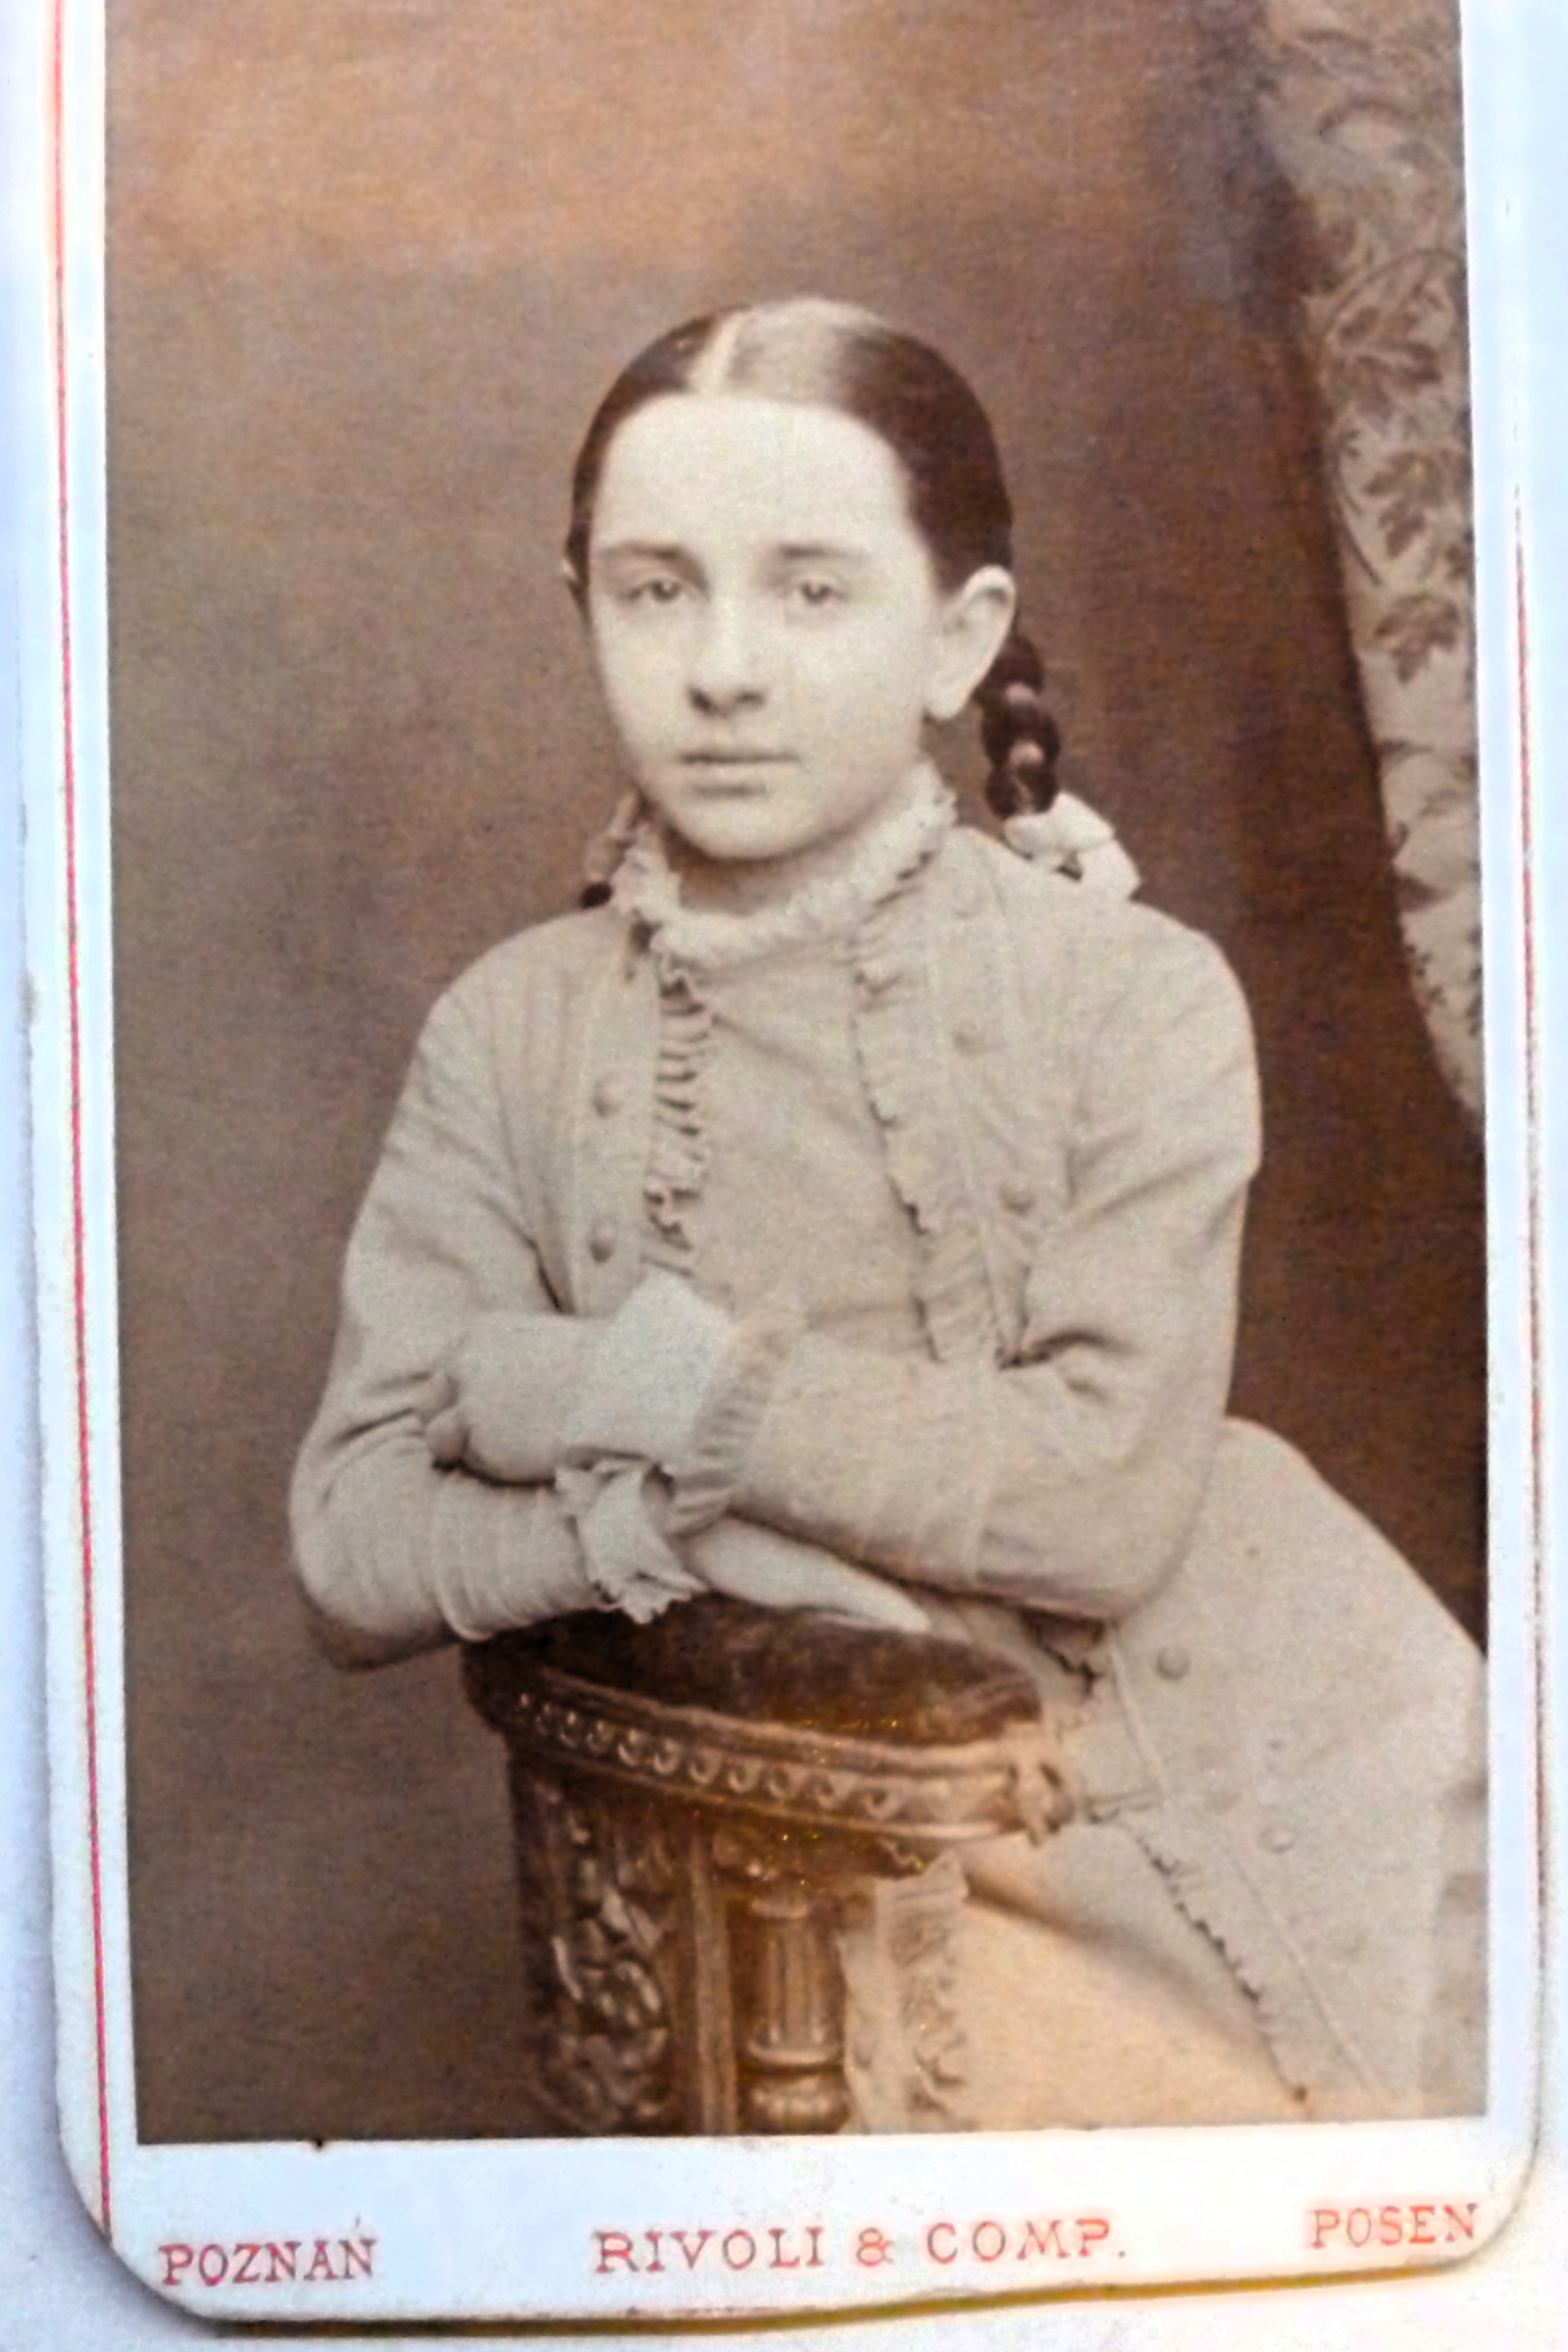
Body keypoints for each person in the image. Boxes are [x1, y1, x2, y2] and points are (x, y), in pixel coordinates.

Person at [290, 296, 1486, 2130]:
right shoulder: (514, 1030)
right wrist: (669, 1529)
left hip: (1263, 1764)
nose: (724, 670)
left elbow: (1095, 1507)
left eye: (812, 591)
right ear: (583, 604)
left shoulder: (1133, 993)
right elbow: (354, 1542)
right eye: (657, 590)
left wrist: (631, 1385)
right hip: (775, 1824)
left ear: (959, 635)